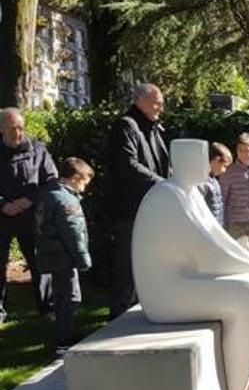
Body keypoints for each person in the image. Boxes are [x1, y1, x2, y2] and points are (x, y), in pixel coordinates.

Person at [104, 83, 170, 319]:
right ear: (139, 101)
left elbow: (164, 164)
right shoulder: (126, 126)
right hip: (131, 210)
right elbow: (129, 165)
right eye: (157, 102)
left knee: (147, 262)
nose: (161, 107)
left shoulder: (153, 128)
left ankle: (142, 309)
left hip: (151, 209)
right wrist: (162, 183)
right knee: (128, 263)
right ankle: (119, 315)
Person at [0, 107, 57, 323]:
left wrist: (29, 200)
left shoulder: (37, 150)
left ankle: (48, 308)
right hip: (2, 216)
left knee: (39, 263)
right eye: (12, 129)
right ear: (1, 130)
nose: (18, 133)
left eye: (21, 128)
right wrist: (3, 204)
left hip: (31, 216)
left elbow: (51, 181)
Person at [34, 158, 94, 354]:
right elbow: (73, 233)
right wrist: (83, 260)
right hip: (64, 258)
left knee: (61, 296)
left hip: (52, 255)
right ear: (76, 178)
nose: (85, 186)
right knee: (70, 297)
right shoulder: (67, 201)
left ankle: (64, 335)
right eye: (85, 181)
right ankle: (64, 340)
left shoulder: (48, 194)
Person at [198, 142, 232, 225]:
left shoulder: (213, 181)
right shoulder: (202, 183)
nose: (224, 171)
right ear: (216, 160)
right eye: (224, 166)